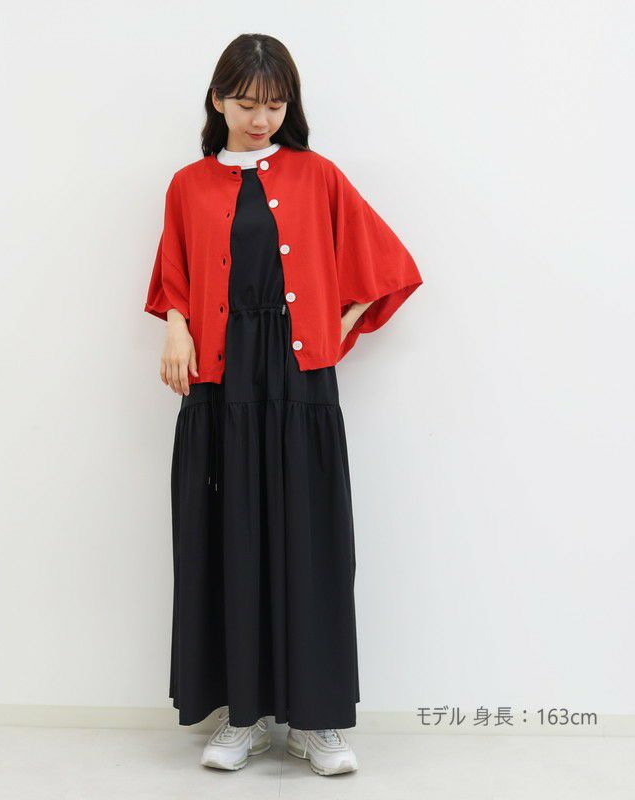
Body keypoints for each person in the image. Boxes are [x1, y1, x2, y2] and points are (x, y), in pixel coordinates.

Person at [144, 33, 423, 777]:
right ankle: (241, 717)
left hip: (299, 379)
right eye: (245, 103)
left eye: (274, 104)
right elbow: (174, 276)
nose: (260, 118)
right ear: (217, 100)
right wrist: (175, 328)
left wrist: (336, 324)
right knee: (227, 538)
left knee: (310, 539)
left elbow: (389, 266)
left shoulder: (317, 174)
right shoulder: (187, 184)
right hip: (219, 378)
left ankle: (317, 721)